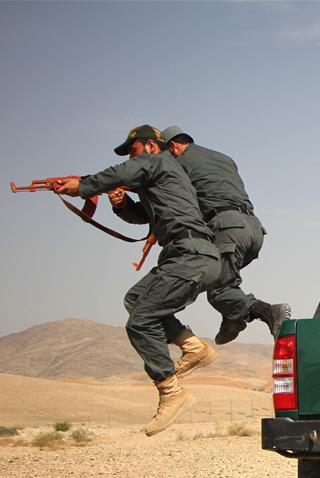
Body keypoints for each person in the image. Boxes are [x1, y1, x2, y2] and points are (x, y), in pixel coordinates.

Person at [55, 125, 221, 436]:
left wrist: (83, 186)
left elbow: (122, 172)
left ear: (150, 146)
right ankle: (193, 346)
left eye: (133, 151)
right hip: (186, 254)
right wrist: (120, 204)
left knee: (140, 322)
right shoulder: (161, 175)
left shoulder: (158, 162)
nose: (131, 158)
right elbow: (144, 215)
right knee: (135, 300)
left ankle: (172, 393)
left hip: (190, 254)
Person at [160, 126, 290, 345]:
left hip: (227, 229)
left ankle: (269, 311)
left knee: (218, 289)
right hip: (253, 229)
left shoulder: (178, 162)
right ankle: (232, 320)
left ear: (173, 146)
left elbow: (156, 183)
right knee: (225, 282)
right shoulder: (223, 158)